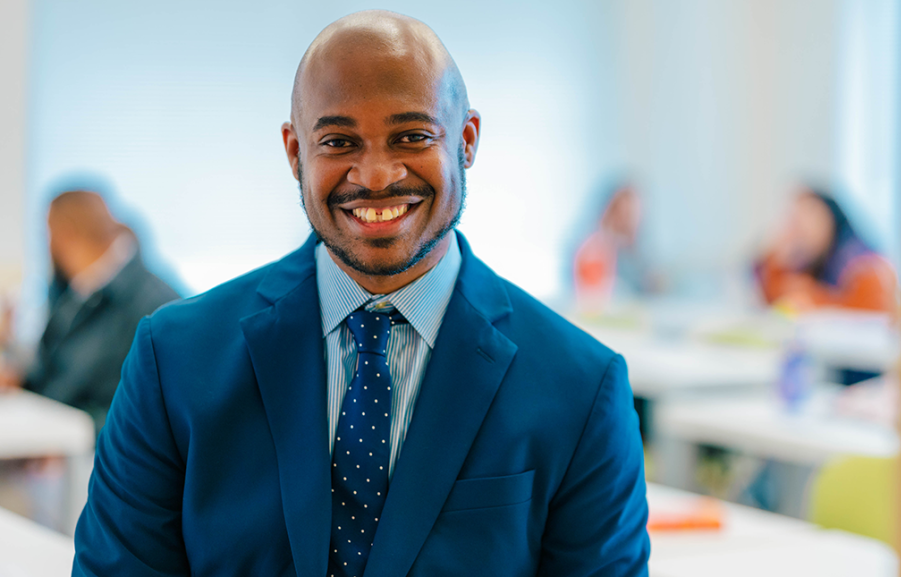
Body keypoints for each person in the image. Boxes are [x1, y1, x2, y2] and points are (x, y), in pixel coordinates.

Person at [73, 11, 649, 577]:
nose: (375, 175)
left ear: (467, 141)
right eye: (340, 141)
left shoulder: (581, 388)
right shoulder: (173, 361)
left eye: (412, 135)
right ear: (296, 153)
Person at [0, 190, 179, 433]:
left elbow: (155, 409)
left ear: (65, 233)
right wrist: (22, 381)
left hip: (96, 457)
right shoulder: (76, 292)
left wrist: (74, 433)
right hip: (58, 447)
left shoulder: (153, 303)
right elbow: (60, 376)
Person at [755, 185, 899, 317]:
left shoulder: (864, 263)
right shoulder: (810, 264)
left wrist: (814, 300)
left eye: (809, 213)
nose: (799, 227)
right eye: (793, 220)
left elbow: (874, 313)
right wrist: (779, 256)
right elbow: (774, 298)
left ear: (829, 215)